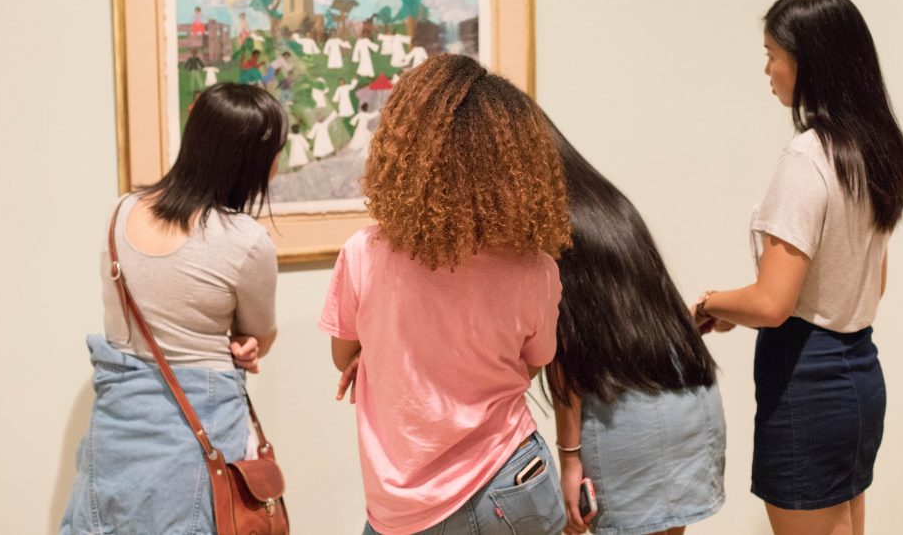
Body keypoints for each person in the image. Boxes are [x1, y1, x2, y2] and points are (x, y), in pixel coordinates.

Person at [320, 54, 572, 535]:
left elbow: (342, 355)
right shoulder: (534, 269)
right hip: (512, 481)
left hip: (402, 506)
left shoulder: (363, 255)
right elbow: (531, 362)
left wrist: (377, 355)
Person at [693, 0, 903, 535]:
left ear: (806, 61)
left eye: (772, 54)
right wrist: (738, 310)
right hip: (858, 372)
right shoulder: (871, 150)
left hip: (808, 383)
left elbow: (772, 303)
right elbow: (869, 281)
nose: (767, 70)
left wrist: (711, 303)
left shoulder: (807, 159)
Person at [60, 83, 289, 534]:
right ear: (252, 159)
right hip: (195, 436)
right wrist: (246, 347)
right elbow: (257, 337)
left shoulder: (121, 212)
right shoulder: (245, 242)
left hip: (116, 430)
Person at [544, 117, 725, 535]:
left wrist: (570, 459)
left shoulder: (552, 230)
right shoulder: (608, 204)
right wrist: (692, 316)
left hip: (627, 420)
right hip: (687, 403)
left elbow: (566, 350)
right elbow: (636, 312)